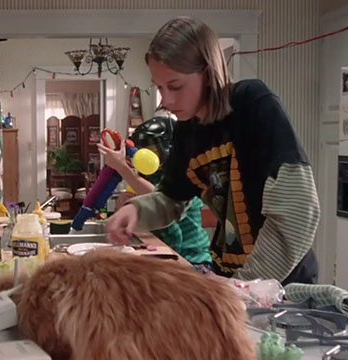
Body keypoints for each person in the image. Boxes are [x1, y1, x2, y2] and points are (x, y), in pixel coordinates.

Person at [107, 17, 320, 285]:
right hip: (231, 278)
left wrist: (243, 286)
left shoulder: (252, 103)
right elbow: (173, 199)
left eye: (175, 86)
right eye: (160, 87)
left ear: (207, 73)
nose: (167, 100)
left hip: (280, 284)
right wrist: (137, 210)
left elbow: (299, 211)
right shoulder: (187, 127)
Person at [98, 116, 212, 267]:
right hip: (168, 255)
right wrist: (127, 206)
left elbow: (162, 198)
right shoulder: (149, 175)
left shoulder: (184, 176)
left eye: (151, 150)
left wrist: (122, 169)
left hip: (193, 261)